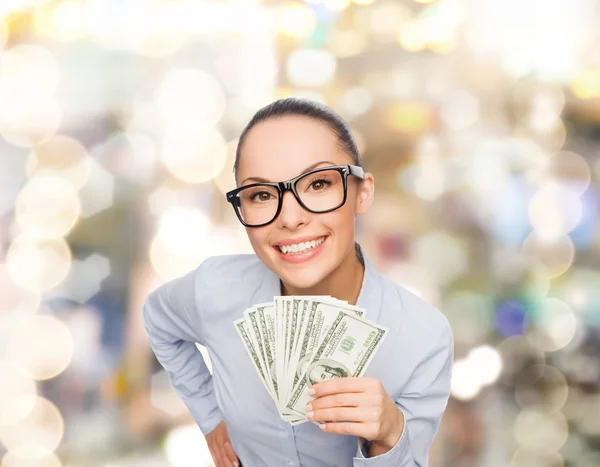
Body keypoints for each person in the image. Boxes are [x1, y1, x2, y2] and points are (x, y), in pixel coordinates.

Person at [142, 98, 454, 467]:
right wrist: (211, 417)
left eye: (318, 184)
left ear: (363, 192)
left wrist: (388, 436)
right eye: (260, 194)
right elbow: (157, 318)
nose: (290, 218)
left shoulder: (423, 338)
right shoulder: (215, 289)